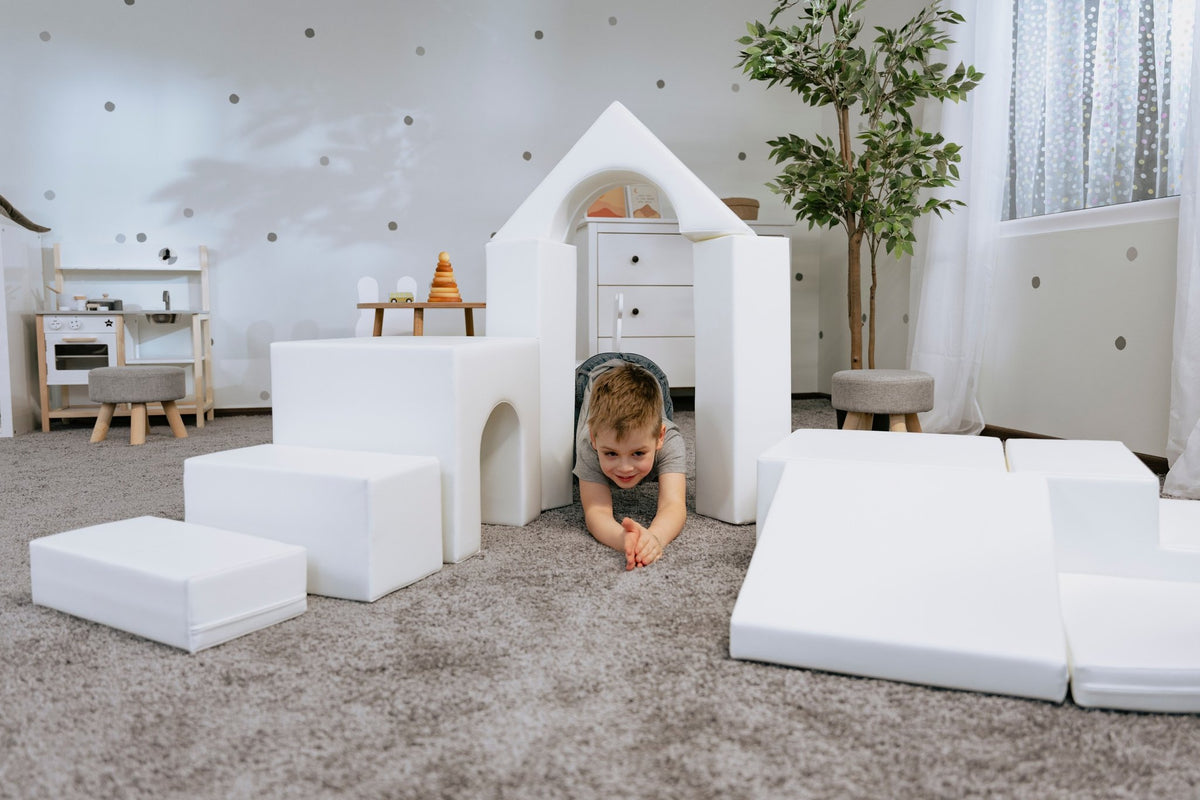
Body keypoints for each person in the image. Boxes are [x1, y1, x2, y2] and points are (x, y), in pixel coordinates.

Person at [573, 358, 686, 570]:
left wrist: (654, 538)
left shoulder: (670, 440)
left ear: (659, 437)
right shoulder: (587, 442)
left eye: (638, 453)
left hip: (651, 372)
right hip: (590, 373)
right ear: (595, 440)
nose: (625, 468)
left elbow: (674, 504)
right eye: (611, 453)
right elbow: (596, 510)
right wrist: (623, 538)